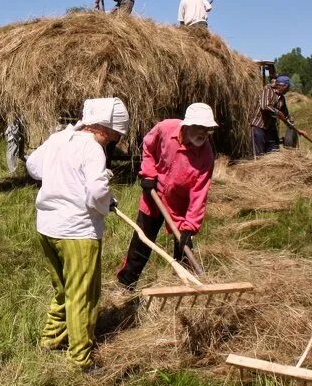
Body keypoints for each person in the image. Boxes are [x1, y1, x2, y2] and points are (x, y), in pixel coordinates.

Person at [26, 97, 129, 370]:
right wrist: (105, 202)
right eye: (115, 136)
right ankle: (80, 359)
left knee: (63, 289)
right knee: (83, 295)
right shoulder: (93, 149)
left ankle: (51, 339)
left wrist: (61, 178)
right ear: (106, 129)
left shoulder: (60, 138)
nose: (114, 141)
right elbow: (96, 192)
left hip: (47, 227)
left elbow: (33, 166)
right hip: (77, 232)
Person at [114, 103, 217, 290]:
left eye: (207, 129)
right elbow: (148, 146)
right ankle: (126, 283)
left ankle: (186, 287)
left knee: (183, 245)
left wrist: (190, 226)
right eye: (200, 127)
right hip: (154, 195)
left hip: (179, 204)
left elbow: (199, 193)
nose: (204, 132)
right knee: (142, 241)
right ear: (187, 125)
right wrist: (148, 174)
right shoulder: (165, 128)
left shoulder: (206, 155)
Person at [249, 75, 294, 156]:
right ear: (283, 86)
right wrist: (278, 112)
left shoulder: (282, 98)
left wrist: (293, 126)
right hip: (259, 127)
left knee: (274, 154)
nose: (289, 89)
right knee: (259, 154)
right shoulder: (267, 91)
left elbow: (285, 115)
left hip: (271, 128)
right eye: (288, 87)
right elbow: (264, 106)